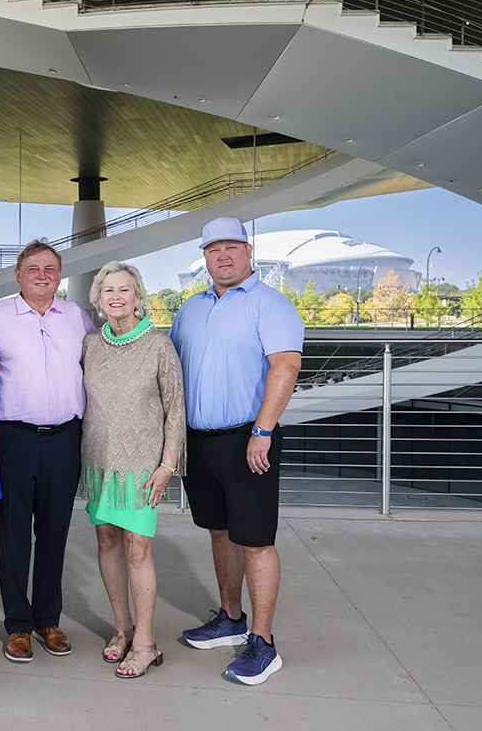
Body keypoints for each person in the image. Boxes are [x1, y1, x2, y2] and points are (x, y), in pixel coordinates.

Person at [169, 216, 303, 686]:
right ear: (203, 257)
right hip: (198, 439)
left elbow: (285, 365)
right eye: (212, 250)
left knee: (257, 540)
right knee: (220, 531)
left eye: (230, 248)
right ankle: (231, 619)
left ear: (248, 252)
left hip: (249, 438)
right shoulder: (189, 308)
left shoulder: (271, 304)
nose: (222, 256)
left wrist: (263, 431)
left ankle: (263, 644)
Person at [0, 240, 94, 662]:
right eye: (33, 268)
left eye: (50, 268)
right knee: (12, 534)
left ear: (59, 275)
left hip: (65, 438)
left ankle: (48, 620)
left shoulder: (77, 317)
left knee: (54, 532)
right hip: (13, 438)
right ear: (18, 274)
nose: (42, 275)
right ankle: (18, 627)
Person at [80, 262, 186, 679]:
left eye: (125, 289)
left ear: (139, 297)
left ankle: (145, 642)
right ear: (98, 299)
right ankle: (122, 629)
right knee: (107, 539)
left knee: (137, 547)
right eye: (108, 290)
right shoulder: (90, 344)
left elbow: (175, 407)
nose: (116, 296)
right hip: (99, 462)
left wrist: (168, 464)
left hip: (142, 467)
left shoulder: (159, 345)